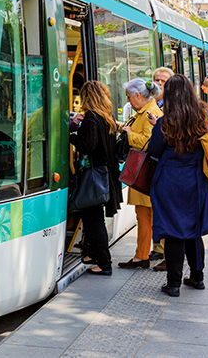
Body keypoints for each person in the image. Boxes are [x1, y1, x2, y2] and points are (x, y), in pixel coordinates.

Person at [146, 75, 208, 297]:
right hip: (198, 179)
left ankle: (174, 283)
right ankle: (197, 277)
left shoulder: (165, 122)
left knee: (173, 231)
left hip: (171, 181)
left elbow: (154, 151)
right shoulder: (205, 116)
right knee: (194, 230)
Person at [69, 81, 123, 275]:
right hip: (104, 174)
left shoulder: (91, 118)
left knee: (94, 219)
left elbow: (87, 146)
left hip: (94, 177)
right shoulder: (106, 117)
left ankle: (105, 263)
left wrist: (71, 135)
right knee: (90, 215)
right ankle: (92, 253)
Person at [117, 78, 163, 270]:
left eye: (129, 97)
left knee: (145, 217)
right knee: (144, 216)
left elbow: (148, 141)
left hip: (145, 172)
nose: (128, 101)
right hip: (144, 172)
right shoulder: (145, 111)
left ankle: (141, 256)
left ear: (138, 95)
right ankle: (141, 255)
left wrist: (128, 134)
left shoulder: (150, 113)